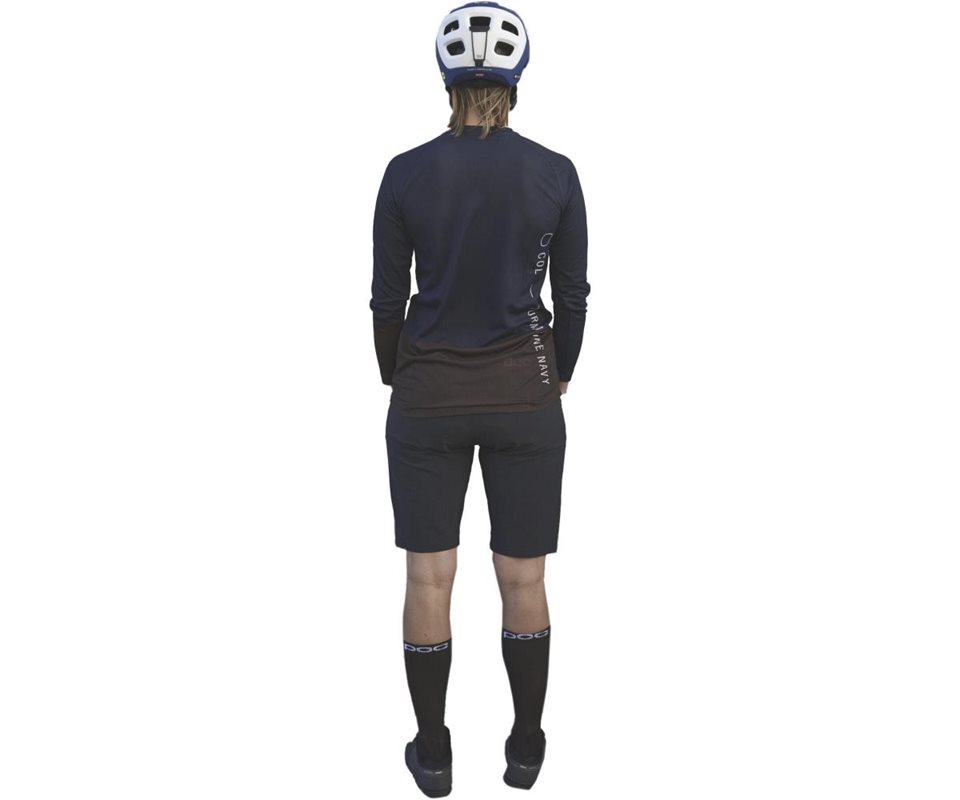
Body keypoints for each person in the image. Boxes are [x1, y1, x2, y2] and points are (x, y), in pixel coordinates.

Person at [369, 2, 589, 794]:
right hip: (525, 397)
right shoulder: (555, 173)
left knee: (429, 578)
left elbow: (387, 300)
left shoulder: (404, 173)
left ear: (446, 81)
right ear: (516, 82)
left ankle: (432, 755)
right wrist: (559, 372)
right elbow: (572, 294)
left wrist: (397, 374)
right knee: (523, 579)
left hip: (426, 396)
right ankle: (525, 750)